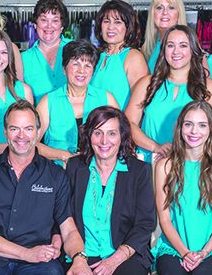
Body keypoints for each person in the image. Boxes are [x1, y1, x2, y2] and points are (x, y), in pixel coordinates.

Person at [0, 100, 92, 275]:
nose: (21, 136)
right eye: (14, 128)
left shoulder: (55, 176)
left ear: (38, 132)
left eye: (28, 129)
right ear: (5, 132)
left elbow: (69, 230)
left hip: (39, 262)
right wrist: (26, 254)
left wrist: (79, 259)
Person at [152, 101, 212, 274]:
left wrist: (204, 252)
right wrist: (185, 253)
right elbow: (165, 219)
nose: (194, 131)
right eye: (188, 124)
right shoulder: (164, 166)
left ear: (211, 130)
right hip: (174, 246)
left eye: (202, 125)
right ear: (180, 128)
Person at [65, 106, 155, 274]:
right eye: (98, 133)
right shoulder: (74, 167)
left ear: (122, 136)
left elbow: (146, 223)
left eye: (112, 133)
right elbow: (64, 217)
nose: (104, 141)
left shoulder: (139, 171)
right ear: (89, 135)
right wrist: (78, 257)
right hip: (81, 255)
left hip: (124, 255)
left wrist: (115, 259)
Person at [125, 25, 212, 163]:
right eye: (170, 45)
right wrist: (155, 147)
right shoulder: (147, 84)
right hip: (149, 164)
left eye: (183, 45)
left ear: (193, 50)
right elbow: (127, 123)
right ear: (163, 50)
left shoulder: (210, 88)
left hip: (193, 165)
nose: (176, 51)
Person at [36, 39, 119, 163]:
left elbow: (122, 137)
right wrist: (63, 155)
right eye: (76, 64)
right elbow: (31, 142)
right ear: (64, 69)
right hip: (57, 172)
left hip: (97, 171)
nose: (81, 71)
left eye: (87, 66)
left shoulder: (106, 99)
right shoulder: (48, 102)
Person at [89, 0, 149, 110]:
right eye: (106, 21)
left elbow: (140, 105)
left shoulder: (133, 57)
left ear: (128, 27)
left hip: (120, 125)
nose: (111, 27)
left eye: (117, 22)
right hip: (93, 125)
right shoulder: (97, 55)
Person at [22, 0, 72, 103]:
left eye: (55, 20)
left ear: (62, 26)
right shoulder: (22, 59)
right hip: (39, 118)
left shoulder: (76, 50)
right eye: (44, 20)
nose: (49, 26)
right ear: (35, 24)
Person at [141, 0, 187, 74]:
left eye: (171, 7)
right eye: (159, 8)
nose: (165, 12)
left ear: (179, 13)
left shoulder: (189, 45)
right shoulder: (148, 48)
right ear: (152, 14)